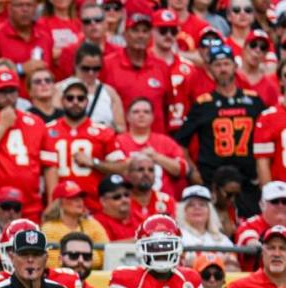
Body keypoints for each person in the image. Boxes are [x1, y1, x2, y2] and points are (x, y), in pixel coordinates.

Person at [173, 45, 264, 216]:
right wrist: (193, 171)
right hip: (213, 178)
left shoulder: (254, 101)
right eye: (217, 65)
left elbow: (266, 139)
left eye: (226, 64)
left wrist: (262, 171)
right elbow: (181, 143)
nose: (223, 69)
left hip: (248, 179)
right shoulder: (203, 104)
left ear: (235, 66)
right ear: (209, 69)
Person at [0, 69, 57, 223]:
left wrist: (52, 201)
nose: (7, 97)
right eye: (2, 91)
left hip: (30, 206)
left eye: (11, 91)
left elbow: (50, 166)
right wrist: (2, 125)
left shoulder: (36, 122)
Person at [48, 77, 125, 214]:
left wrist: (94, 163)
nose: (75, 102)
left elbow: (121, 168)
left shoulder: (103, 132)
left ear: (87, 101)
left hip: (93, 207)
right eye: (70, 98)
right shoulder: (48, 130)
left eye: (80, 98)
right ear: (62, 101)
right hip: (59, 208)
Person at [103, 11, 173, 134]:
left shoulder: (161, 67)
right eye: (135, 30)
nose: (140, 35)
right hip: (120, 143)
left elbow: (167, 107)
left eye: (145, 31)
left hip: (156, 143)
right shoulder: (108, 64)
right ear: (125, 34)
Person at [116, 98, 188, 199]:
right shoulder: (117, 141)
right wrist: (138, 159)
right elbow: (110, 168)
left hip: (163, 202)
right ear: (127, 116)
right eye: (136, 112)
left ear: (153, 117)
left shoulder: (166, 142)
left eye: (146, 112)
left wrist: (156, 157)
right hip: (128, 201)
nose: (141, 115)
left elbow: (182, 169)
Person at [41, 180, 109, 270]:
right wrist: (88, 256)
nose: (79, 201)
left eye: (80, 197)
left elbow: (107, 255)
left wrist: (72, 256)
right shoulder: (49, 228)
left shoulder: (92, 224)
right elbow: (52, 262)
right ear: (59, 202)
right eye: (73, 198)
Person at [58, 42, 124, 132]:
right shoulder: (60, 89)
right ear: (76, 65)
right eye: (86, 68)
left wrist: (109, 129)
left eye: (96, 69)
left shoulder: (109, 93)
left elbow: (121, 127)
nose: (91, 73)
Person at [0, 0, 53, 74]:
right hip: (8, 88)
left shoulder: (45, 37)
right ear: (9, 8)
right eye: (19, 5)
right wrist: (20, 69)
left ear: (35, 8)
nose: (25, 10)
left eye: (29, 5)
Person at [175, 185, 237, 269]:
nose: (197, 208)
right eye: (191, 205)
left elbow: (234, 268)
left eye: (202, 204)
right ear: (183, 211)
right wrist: (220, 261)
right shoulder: (177, 237)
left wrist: (194, 262)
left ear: (210, 211)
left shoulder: (222, 239)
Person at [236, 181, 286, 271]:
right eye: (275, 201)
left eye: (285, 202)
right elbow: (251, 242)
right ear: (262, 204)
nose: (281, 205)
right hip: (256, 280)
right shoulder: (249, 225)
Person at [254, 59, 286, 186]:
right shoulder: (268, 117)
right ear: (280, 81)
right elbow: (263, 164)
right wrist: (270, 196)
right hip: (282, 194)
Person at [127, 153, 176, 222]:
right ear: (129, 175)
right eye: (140, 169)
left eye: (151, 170)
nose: (146, 173)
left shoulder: (167, 201)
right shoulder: (120, 200)